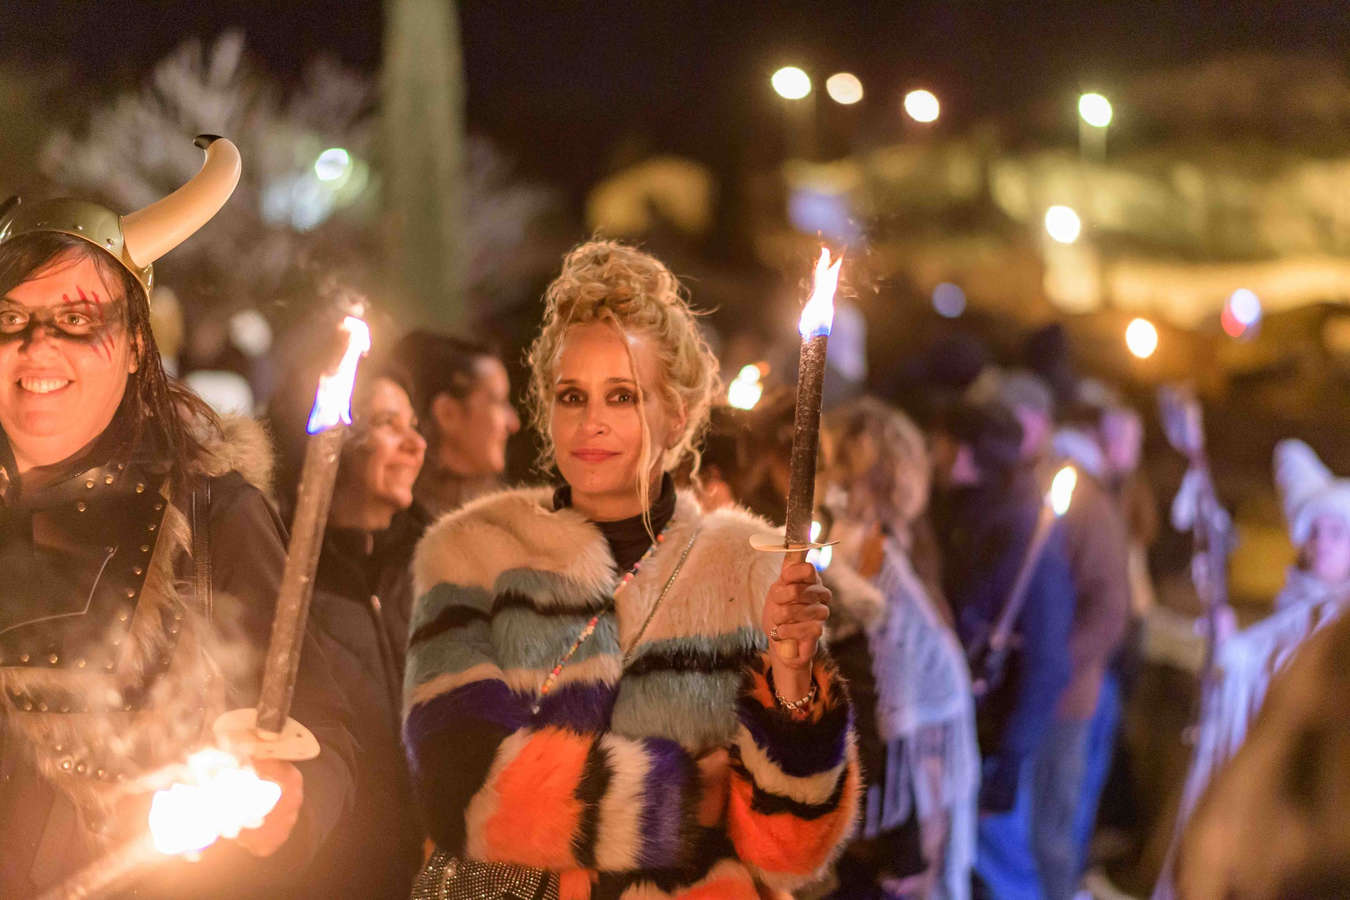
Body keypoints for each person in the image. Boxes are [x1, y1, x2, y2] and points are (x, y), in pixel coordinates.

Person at [402, 240, 859, 898]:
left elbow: (790, 852)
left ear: (675, 415)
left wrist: (792, 687)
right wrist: (684, 794)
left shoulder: (748, 564)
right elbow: (461, 786)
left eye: (622, 396)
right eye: (571, 396)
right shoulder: (472, 551)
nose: (591, 423)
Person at [0, 137, 355, 897]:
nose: (37, 347)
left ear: (135, 346)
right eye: (10, 318)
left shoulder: (212, 511)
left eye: (76, 317)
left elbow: (319, 726)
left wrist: (286, 799)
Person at [268, 352, 430, 898]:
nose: (416, 444)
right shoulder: (283, 579)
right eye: (387, 424)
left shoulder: (438, 563)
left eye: (414, 424)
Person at [1159, 439, 1350, 899]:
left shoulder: (1336, 631)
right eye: (1314, 531)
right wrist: (1230, 649)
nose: (1322, 543)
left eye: (1337, 533)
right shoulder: (1294, 611)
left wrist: (1237, 657)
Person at [821, 397, 979, 900]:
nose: (827, 482)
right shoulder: (866, 543)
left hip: (911, 776)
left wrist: (903, 842)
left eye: (836, 467)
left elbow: (888, 689)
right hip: (906, 772)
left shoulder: (875, 557)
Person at [928, 400, 1074, 900]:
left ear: (965, 453)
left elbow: (1047, 657)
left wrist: (1011, 755)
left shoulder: (1021, 530)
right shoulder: (964, 514)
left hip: (995, 729)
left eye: (943, 443)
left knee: (1003, 864)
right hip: (964, 722)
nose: (933, 453)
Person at [392, 330, 520, 518]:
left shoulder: (512, 517)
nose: (513, 423)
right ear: (448, 413)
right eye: (498, 402)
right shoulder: (394, 519)